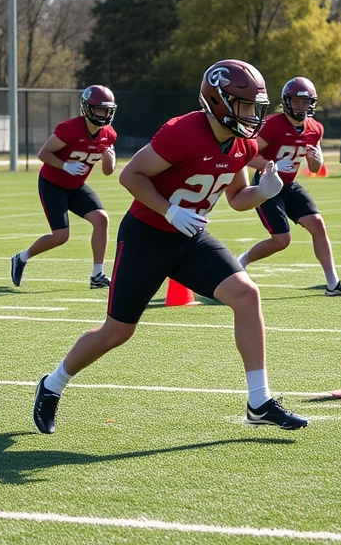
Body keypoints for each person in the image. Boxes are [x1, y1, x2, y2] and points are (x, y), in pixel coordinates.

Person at [32, 59, 308, 434]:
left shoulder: (242, 142)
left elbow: (237, 197)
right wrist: (168, 210)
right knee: (117, 331)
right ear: (219, 100)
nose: (252, 115)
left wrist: (262, 192)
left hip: (190, 236)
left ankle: (258, 401)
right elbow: (131, 175)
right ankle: (52, 384)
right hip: (147, 235)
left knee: (247, 295)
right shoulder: (183, 131)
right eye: (244, 106)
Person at [237, 77, 341, 297]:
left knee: (318, 224)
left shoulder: (315, 128)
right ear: (287, 102)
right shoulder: (273, 125)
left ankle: (333, 283)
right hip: (267, 185)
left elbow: (314, 167)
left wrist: (318, 159)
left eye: (306, 102)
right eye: (296, 101)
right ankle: (242, 261)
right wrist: (270, 165)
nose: (301, 107)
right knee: (282, 240)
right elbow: (246, 157)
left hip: (289, 184)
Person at [10, 86, 118, 289]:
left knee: (101, 219)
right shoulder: (70, 128)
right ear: (86, 108)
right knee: (61, 236)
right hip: (53, 184)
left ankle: (97, 274)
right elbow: (44, 153)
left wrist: (108, 159)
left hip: (76, 185)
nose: (104, 115)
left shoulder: (108, 134)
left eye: (107, 110)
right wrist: (65, 165)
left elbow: (108, 171)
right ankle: (21, 258)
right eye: (99, 109)